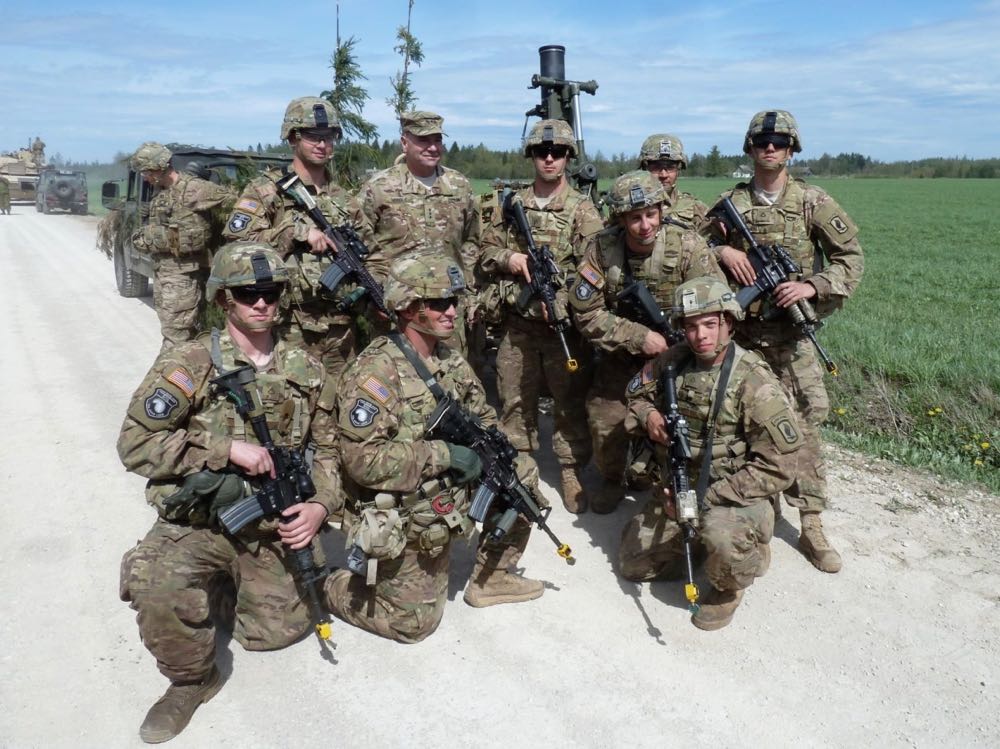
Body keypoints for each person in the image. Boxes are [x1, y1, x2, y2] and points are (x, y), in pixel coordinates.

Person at [117, 242, 341, 743]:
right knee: (155, 582)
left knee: (272, 635)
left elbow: (329, 451)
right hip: (200, 522)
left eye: (270, 292)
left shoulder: (306, 368)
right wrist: (224, 450)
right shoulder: (190, 362)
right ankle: (192, 681)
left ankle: (225, 588)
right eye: (247, 293)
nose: (261, 303)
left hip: (271, 523)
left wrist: (319, 505)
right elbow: (134, 444)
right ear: (223, 299)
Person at [325, 254, 544, 643]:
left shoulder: (448, 358)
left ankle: (491, 577)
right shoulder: (376, 372)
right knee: (413, 625)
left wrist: (493, 450)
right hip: (407, 506)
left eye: (453, 301)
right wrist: (446, 455)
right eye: (440, 302)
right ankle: (330, 584)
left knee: (519, 476)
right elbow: (362, 461)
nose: (452, 311)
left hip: (446, 488)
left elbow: (484, 415)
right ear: (408, 308)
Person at [706, 110, 864, 573]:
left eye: (779, 142)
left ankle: (811, 522)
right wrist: (722, 250)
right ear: (750, 149)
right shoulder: (729, 203)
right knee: (739, 424)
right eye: (762, 142)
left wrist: (811, 286)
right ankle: (758, 510)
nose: (770, 148)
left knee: (804, 424)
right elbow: (689, 247)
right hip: (743, 337)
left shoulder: (812, 202)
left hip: (791, 338)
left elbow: (850, 259)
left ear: (792, 149)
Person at [621, 277, 803, 630]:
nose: (700, 335)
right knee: (633, 565)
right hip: (678, 484)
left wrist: (705, 500)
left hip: (731, 491)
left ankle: (732, 578)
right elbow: (634, 396)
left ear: (728, 323)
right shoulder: (673, 361)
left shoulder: (754, 381)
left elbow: (780, 466)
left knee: (721, 538)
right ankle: (696, 543)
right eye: (691, 326)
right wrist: (650, 417)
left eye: (709, 324)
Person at [569, 170, 725, 513]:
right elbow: (586, 313)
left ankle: (672, 482)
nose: (644, 226)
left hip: (679, 357)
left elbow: (715, 307)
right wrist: (639, 337)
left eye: (651, 214)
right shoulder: (602, 249)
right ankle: (613, 478)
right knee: (604, 419)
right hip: (621, 358)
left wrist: (680, 347)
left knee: (685, 424)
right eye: (635, 218)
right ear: (621, 219)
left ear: (661, 211)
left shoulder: (688, 246)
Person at [477, 119, 604, 513]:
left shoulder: (583, 210)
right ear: (531, 156)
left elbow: (594, 270)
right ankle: (520, 470)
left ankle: (569, 468)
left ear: (568, 157)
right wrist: (511, 258)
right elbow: (485, 252)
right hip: (517, 326)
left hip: (560, 327)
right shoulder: (511, 204)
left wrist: (563, 300)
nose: (549, 159)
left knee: (569, 402)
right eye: (541, 152)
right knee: (514, 401)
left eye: (558, 152)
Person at [223, 96, 364, 386]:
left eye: (329, 137)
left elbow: (370, 252)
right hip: (288, 327)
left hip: (341, 329)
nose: (322, 144)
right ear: (292, 138)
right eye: (313, 136)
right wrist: (295, 232)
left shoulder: (344, 198)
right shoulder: (266, 191)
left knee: (340, 400)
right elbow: (236, 246)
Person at [354, 111, 480, 349]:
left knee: (450, 370)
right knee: (396, 370)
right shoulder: (379, 188)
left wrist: (468, 289)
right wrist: (377, 291)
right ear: (405, 142)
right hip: (398, 313)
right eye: (423, 140)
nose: (432, 148)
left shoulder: (459, 186)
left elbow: (472, 242)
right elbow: (360, 245)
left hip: (447, 312)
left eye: (437, 140)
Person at [130, 142, 233, 354]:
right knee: (175, 332)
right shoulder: (161, 191)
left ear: (159, 167)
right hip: (164, 272)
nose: (145, 177)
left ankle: (170, 372)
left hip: (183, 276)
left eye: (147, 172)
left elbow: (234, 203)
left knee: (175, 339)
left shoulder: (193, 188)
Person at [638, 133, 708, 230]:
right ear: (644, 168)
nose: (663, 175)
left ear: (679, 169)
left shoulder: (695, 208)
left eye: (670, 167)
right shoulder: (629, 209)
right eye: (656, 167)